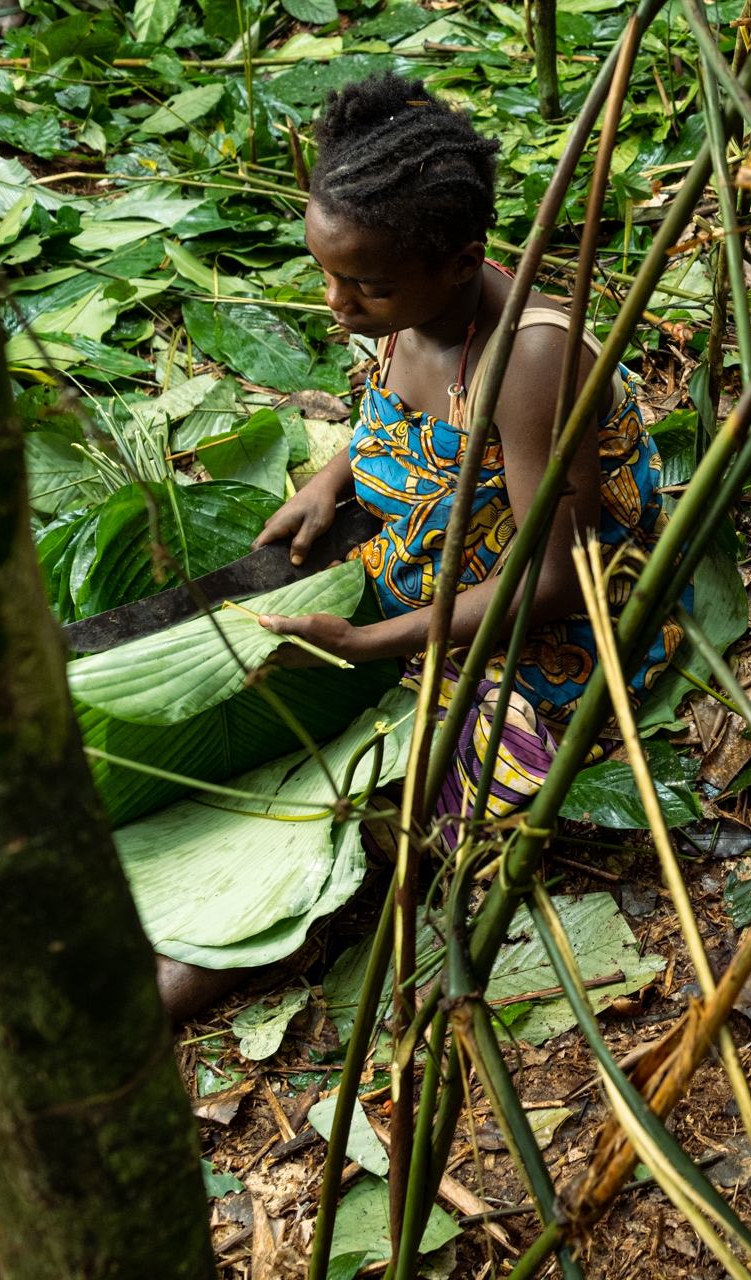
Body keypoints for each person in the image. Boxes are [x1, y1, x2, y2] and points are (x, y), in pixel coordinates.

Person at [151, 73, 679, 1020]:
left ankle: (178, 981)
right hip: (427, 561)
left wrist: (375, 645)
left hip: (537, 640)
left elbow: (560, 583)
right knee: (210, 675)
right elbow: (384, 415)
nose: (336, 304)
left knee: (357, 819)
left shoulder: (528, 360)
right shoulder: (403, 304)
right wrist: (331, 480)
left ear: (460, 262)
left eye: (366, 285)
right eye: (328, 273)